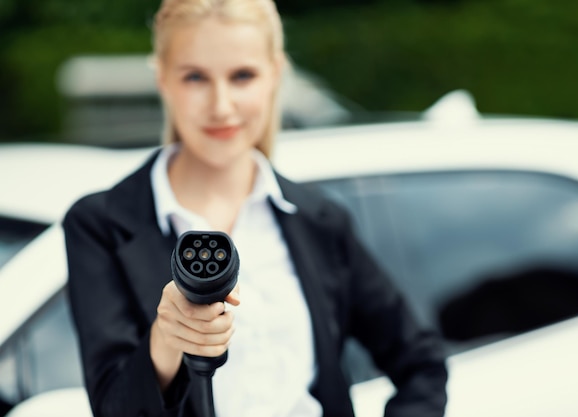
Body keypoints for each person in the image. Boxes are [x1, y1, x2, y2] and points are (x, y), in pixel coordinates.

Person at [62, 0, 448, 416]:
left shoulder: (319, 221)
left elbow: (421, 364)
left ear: (275, 75)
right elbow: (113, 408)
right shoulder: (101, 225)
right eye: (195, 77)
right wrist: (167, 340)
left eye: (242, 76)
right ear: (162, 80)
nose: (221, 105)